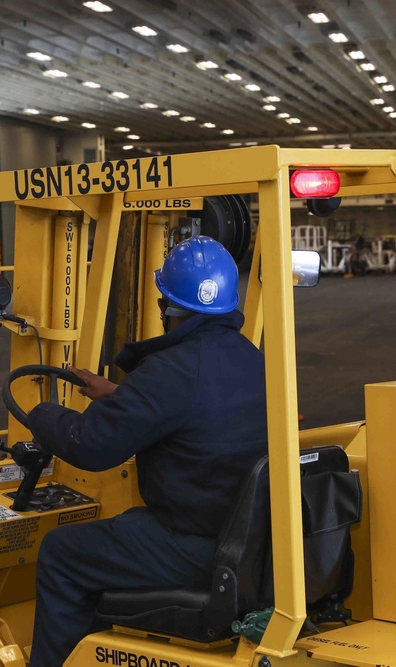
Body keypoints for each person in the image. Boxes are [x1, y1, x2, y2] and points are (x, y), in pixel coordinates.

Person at [25, 236, 268, 666]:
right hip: (248, 537)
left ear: (168, 308)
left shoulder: (169, 370)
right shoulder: (251, 357)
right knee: (127, 524)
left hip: (194, 544)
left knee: (62, 553)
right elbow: (199, 409)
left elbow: (91, 446)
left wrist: (42, 415)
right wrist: (122, 396)